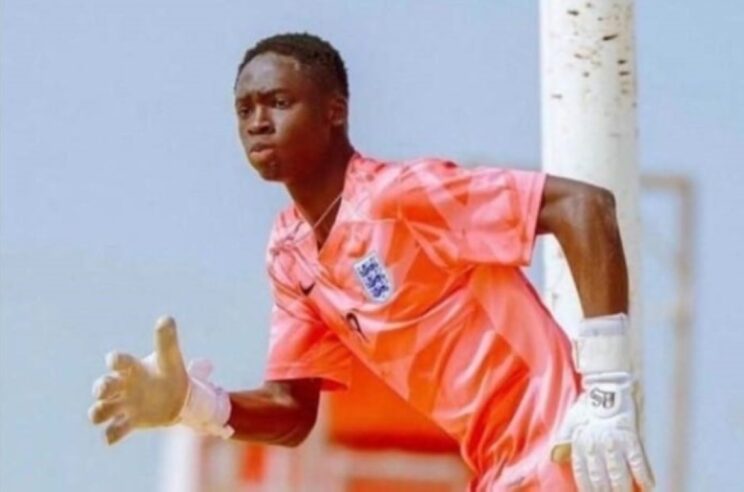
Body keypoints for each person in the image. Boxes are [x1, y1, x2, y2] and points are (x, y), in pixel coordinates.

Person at [88, 32, 653, 491]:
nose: (258, 121)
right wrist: (191, 404)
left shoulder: (402, 196)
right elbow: (292, 412)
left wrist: (607, 389)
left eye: (279, 102)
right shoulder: (289, 254)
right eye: (244, 108)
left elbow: (584, 207)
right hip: (497, 469)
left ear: (335, 112)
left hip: (563, 454)